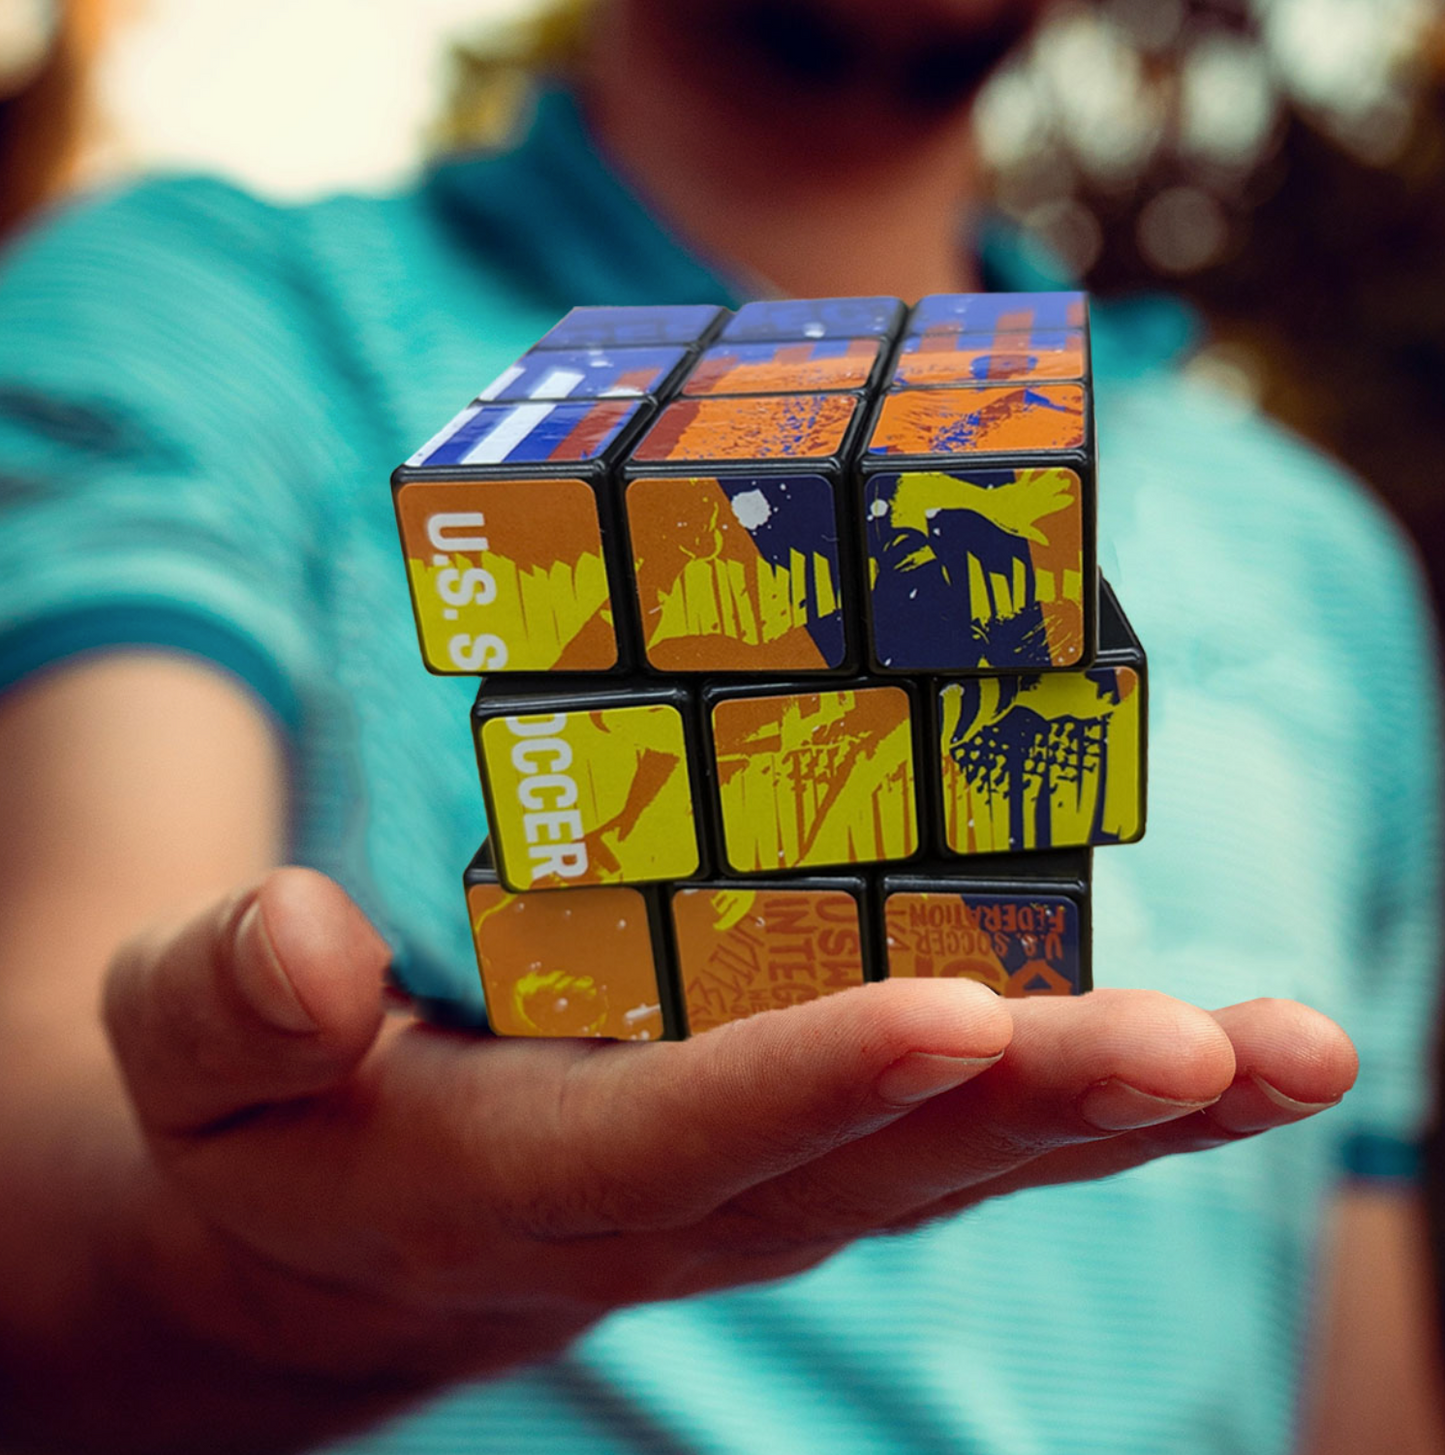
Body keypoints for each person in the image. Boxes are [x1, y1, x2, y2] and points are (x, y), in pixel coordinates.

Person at [0, 1, 1439, 1451]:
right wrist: (261, 1273)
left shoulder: (1319, 553)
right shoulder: (201, 308)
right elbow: (52, 1117)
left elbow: (1363, 1372)